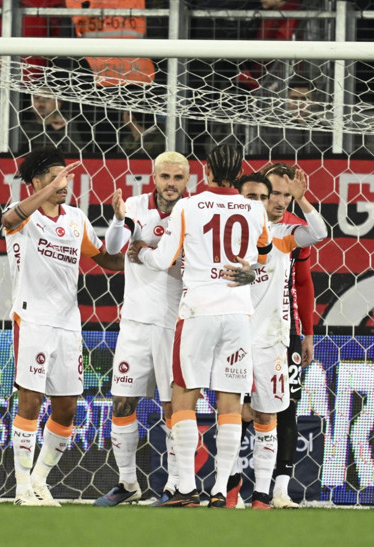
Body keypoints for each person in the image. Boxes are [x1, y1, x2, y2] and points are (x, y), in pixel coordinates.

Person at [129, 144, 269, 508]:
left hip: (198, 310)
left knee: (184, 395)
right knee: (230, 401)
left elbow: (162, 259)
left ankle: (187, 487)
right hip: (239, 314)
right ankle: (222, 488)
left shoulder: (189, 206)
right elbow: (262, 258)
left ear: (204, 171)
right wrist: (249, 271)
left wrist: (141, 250)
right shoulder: (255, 208)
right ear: (239, 173)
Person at [1, 147, 124, 506]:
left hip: (69, 323)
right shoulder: (24, 218)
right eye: (55, 177)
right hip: (33, 317)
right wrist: (43, 189)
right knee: (30, 401)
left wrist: (132, 240)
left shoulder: (76, 219)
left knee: (67, 407)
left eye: (66, 176)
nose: (63, 183)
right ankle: (21, 487)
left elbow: (107, 259)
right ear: (36, 183)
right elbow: (9, 219)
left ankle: (39, 480)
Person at [94, 151, 191, 507]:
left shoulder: (191, 211)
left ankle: (175, 487)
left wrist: (150, 249)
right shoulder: (135, 206)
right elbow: (115, 248)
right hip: (135, 321)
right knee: (121, 403)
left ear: (187, 181)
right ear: (154, 177)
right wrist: (120, 220)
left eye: (178, 178)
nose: (171, 184)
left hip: (174, 324)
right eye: (165, 177)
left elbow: (183, 260)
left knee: (172, 409)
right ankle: (128, 484)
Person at [235, 169, 326, 509]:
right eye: (271, 192)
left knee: (278, 409)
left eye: (284, 195)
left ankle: (275, 490)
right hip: (236, 329)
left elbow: (305, 276)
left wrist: (306, 331)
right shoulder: (234, 230)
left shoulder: (287, 235)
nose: (277, 200)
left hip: (278, 332)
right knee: (236, 410)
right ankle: (230, 487)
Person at [260, 79, 330, 157]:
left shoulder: (325, 133)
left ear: (313, 101)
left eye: (304, 99)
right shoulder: (276, 131)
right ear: (287, 100)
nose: (299, 104)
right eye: (294, 98)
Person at [19, 92, 86, 155]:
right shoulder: (24, 130)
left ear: (58, 104)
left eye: (47, 98)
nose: (41, 102)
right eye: (37, 98)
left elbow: (79, 154)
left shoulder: (68, 125)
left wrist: (62, 130)